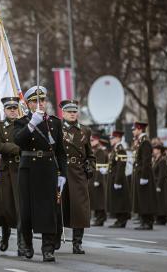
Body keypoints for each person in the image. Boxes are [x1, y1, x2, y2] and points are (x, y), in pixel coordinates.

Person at [13, 86, 68, 262]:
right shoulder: (22, 122)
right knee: (26, 211)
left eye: (42, 100)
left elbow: (61, 152)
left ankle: (48, 249)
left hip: (48, 169)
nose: (40, 104)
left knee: (48, 211)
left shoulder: (55, 122)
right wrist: (32, 124)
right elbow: (18, 141)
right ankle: (27, 245)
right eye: (36, 101)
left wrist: (63, 174)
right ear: (28, 104)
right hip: (28, 168)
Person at [58, 99, 95, 254]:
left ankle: (77, 243)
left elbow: (90, 154)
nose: (73, 114)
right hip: (62, 172)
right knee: (59, 207)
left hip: (79, 173)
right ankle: (54, 239)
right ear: (63, 113)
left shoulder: (85, 130)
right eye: (70, 112)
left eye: (75, 112)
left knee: (80, 209)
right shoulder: (57, 128)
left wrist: (90, 166)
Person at [0, 97, 24, 255]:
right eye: (9, 108)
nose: (12, 110)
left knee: (21, 207)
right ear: (4, 110)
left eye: (14, 108)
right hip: (5, 170)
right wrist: (16, 148)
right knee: (5, 206)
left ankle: (22, 242)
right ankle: (5, 233)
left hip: (21, 169)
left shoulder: (24, 124)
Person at [131, 121, 158, 230]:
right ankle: (144, 220)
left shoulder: (145, 142)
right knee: (142, 199)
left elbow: (146, 161)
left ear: (140, 129)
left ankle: (148, 222)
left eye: (134, 129)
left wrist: (144, 176)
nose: (133, 131)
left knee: (146, 199)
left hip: (144, 174)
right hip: (140, 173)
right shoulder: (141, 141)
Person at [107, 130, 131, 228]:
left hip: (119, 179)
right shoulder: (116, 149)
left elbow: (121, 166)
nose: (110, 140)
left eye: (112, 138)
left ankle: (122, 220)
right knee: (117, 200)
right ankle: (119, 219)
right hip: (115, 177)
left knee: (120, 200)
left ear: (118, 138)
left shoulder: (120, 149)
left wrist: (117, 181)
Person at [89, 132, 108, 226]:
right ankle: (98, 218)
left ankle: (101, 218)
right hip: (94, 178)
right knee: (96, 200)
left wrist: (97, 180)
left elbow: (100, 167)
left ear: (97, 141)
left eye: (92, 140)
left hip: (98, 179)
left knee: (99, 200)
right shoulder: (95, 150)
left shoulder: (100, 151)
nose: (91, 142)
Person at [152, 143, 167, 225]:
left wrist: (159, 185)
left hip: (161, 183)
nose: (153, 150)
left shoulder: (162, 160)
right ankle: (158, 217)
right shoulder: (156, 159)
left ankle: (162, 218)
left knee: (161, 201)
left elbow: (162, 174)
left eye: (155, 149)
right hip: (156, 182)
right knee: (158, 201)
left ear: (159, 151)